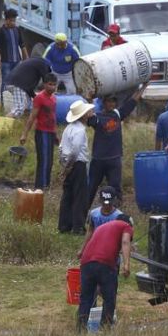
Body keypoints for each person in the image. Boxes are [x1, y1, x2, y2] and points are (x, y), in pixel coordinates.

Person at [87, 83, 149, 208]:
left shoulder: (117, 114)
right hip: (98, 159)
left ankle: (116, 211)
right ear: (104, 103)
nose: (111, 104)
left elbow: (133, 101)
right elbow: (88, 116)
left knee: (115, 187)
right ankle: (83, 211)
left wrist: (143, 87)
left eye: (113, 102)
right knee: (91, 187)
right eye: (109, 101)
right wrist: (89, 99)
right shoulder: (97, 117)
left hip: (114, 159)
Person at [77, 217, 133, 332]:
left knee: (86, 299)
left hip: (86, 263)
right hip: (105, 264)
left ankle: (80, 331)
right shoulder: (126, 226)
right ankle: (105, 330)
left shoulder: (102, 227)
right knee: (109, 299)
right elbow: (125, 242)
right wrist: (126, 264)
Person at [59, 100, 95, 235]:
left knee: (68, 195)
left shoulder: (68, 128)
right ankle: (78, 227)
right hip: (77, 164)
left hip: (69, 162)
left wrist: (64, 164)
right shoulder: (80, 130)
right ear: (84, 115)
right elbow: (75, 150)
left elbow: (62, 148)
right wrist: (69, 165)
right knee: (80, 196)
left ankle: (64, 225)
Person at [20, 73, 58, 190]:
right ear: (45, 84)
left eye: (54, 85)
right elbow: (32, 117)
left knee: (50, 160)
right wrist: (24, 134)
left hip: (50, 132)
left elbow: (53, 117)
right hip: (42, 132)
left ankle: (46, 185)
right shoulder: (39, 98)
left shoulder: (53, 98)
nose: (52, 87)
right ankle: (40, 187)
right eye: (50, 84)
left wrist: (55, 134)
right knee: (43, 160)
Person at [0, 9, 28, 108]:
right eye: (11, 21)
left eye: (14, 20)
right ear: (6, 20)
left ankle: (17, 103)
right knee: (5, 82)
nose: (13, 23)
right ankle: (4, 104)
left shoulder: (17, 30)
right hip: (6, 63)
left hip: (17, 61)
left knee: (18, 82)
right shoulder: (0, 31)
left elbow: (22, 45)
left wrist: (26, 59)